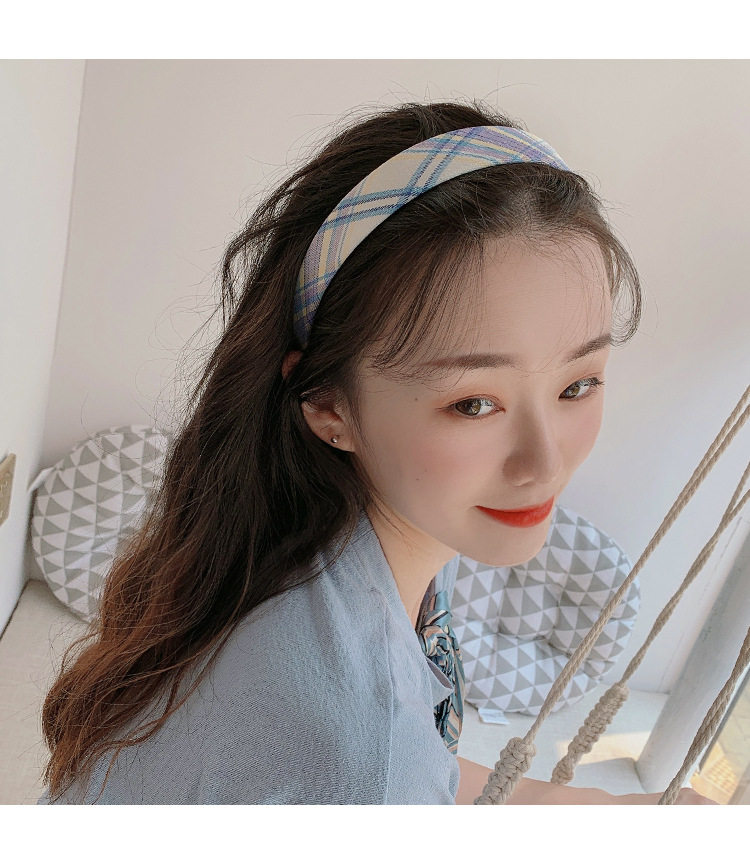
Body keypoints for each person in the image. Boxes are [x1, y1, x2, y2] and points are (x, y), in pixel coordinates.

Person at [38, 100, 714, 805]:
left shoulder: (326, 535)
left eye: (578, 385)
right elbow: (381, 764)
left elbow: (424, 765)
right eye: (473, 403)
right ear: (329, 405)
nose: (544, 464)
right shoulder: (360, 743)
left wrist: (614, 807)